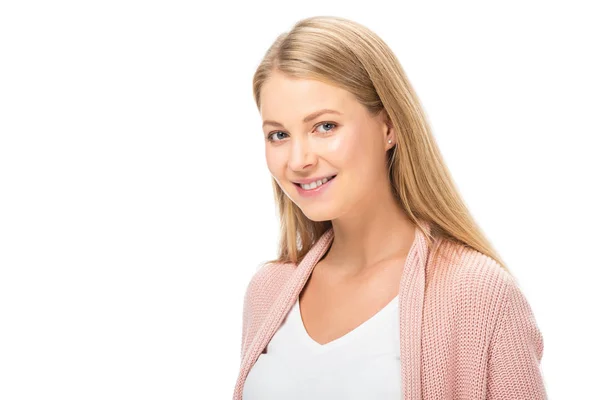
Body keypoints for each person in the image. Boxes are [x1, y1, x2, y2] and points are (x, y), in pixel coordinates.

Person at [233, 15, 548, 400]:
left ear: (389, 127)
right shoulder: (268, 291)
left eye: (325, 127)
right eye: (278, 135)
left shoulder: (477, 294)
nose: (298, 160)